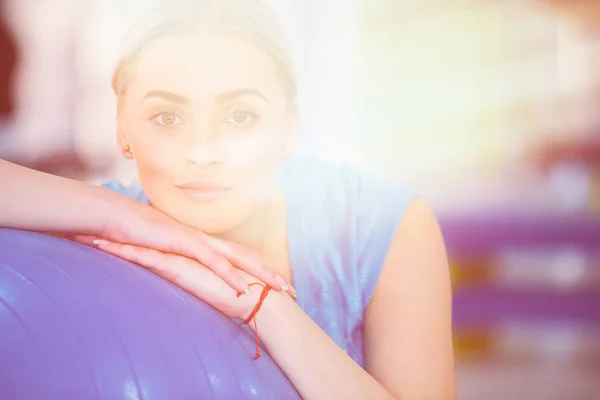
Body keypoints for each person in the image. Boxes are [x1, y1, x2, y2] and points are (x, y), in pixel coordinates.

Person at [0, 1, 456, 398]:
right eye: (166, 116)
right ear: (122, 126)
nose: (203, 151)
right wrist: (116, 214)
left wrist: (268, 310)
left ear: (291, 126)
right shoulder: (91, 232)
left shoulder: (378, 224)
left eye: (240, 116)